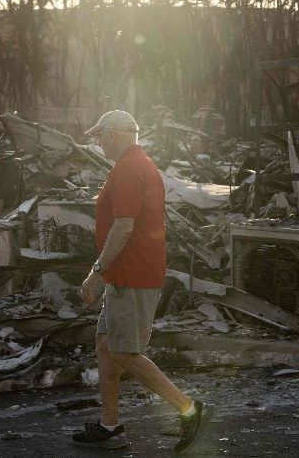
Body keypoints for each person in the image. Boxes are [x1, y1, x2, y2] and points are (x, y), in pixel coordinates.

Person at [71, 110, 211, 452]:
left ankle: (189, 408)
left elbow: (124, 226)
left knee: (124, 352)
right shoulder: (132, 165)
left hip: (130, 277)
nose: (98, 140)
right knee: (106, 347)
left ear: (119, 134)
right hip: (125, 274)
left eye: (101, 134)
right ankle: (110, 426)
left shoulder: (130, 169)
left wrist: (96, 272)